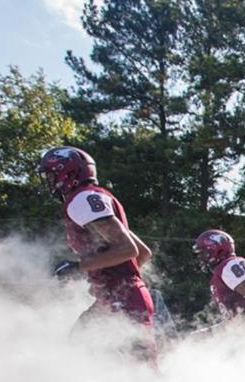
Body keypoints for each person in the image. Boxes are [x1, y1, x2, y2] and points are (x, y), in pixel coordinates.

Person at [37, 146, 157, 363]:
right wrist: (113, 283)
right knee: (80, 351)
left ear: (68, 174)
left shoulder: (82, 200)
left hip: (123, 301)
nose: (50, 181)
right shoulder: (93, 198)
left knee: (139, 377)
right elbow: (142, 253)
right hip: (118, 297)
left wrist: (79, 267)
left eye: (53, 175)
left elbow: (128, 249)